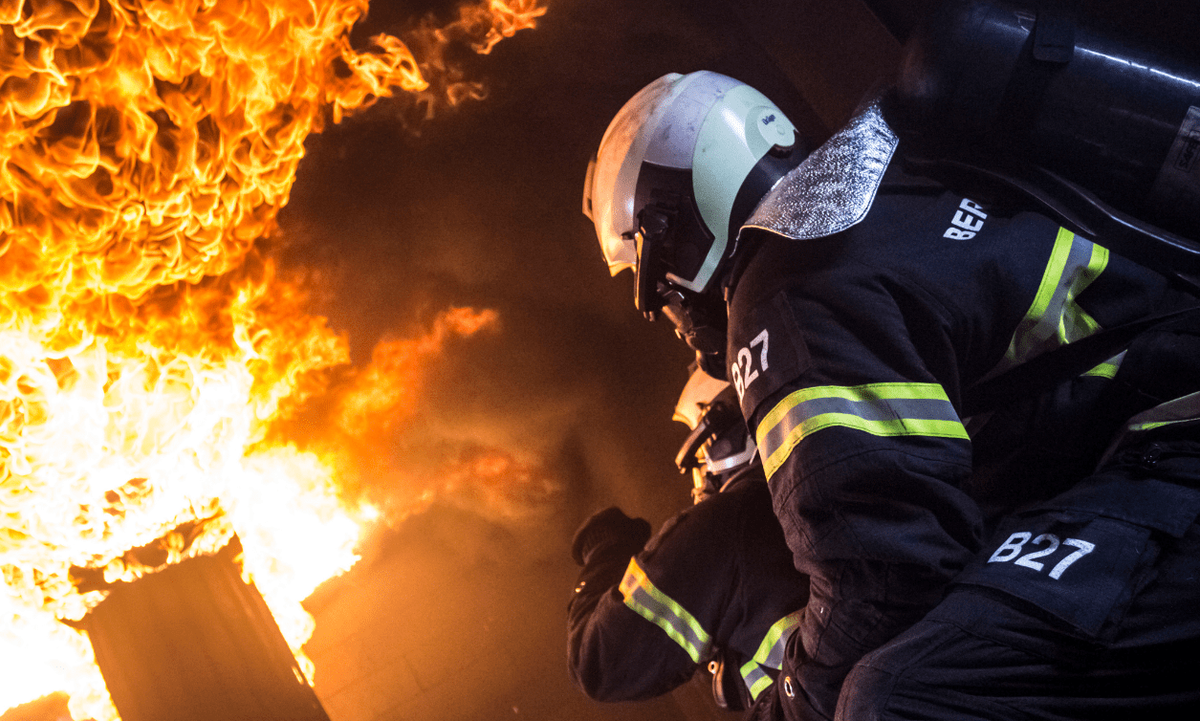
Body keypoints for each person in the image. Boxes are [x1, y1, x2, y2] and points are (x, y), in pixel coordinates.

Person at [581, 68, 1200, 720]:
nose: (674, 311)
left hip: (1169, 447)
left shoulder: (785, 295)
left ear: (669, 226)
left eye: (655, 283)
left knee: (897, 698)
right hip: (1147, 429)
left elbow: (883, 583)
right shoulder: (884, 172)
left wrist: (785, 708)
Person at [567, 367, 811, 712]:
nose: (701, 472)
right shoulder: (819, 480)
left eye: (704, 446)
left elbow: (597, 664)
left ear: (728, 429)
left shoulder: (729, 522)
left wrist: (605, 551)